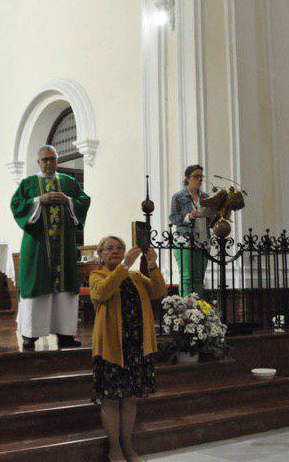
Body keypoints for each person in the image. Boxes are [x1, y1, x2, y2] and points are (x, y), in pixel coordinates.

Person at [90, 236, 167, 462]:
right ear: (100, 254)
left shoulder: (135, 276)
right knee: (112, 399)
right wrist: (124, 265)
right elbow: (102, 292)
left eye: (120, 248)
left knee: (130, 398)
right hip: (111, 348)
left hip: (136, 346)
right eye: (110, 248)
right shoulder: (98, 275)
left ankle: (127, 445)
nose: (116, 251)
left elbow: (158, 291)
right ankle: (114, 448)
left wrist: (151, 265)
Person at [11, 144, 91, 350]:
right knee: (37, 286)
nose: (49, 163)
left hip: (64, 247)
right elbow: (17, 205)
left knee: (64, 290)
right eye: (45, 159)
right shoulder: (28, 183)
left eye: (52, 159)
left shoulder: (68, 182)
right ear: (38, 162)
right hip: (37, 245)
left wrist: (69, 200)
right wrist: (39, 200)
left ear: (57, 161)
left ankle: (65, 334)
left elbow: (84, 201)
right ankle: (31, 334)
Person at [168, 164, 210, 295]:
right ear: (187, 178)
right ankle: (185, 309)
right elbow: (173, 218)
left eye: (201, 177)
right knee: (187, 277)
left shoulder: (206, 197)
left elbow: (210, 218)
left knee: (199, 278)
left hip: (203, 239)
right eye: (196, 176)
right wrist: (189, 216)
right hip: (184, 239)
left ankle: (198, 309)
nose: (199, 180)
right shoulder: (178, 196)